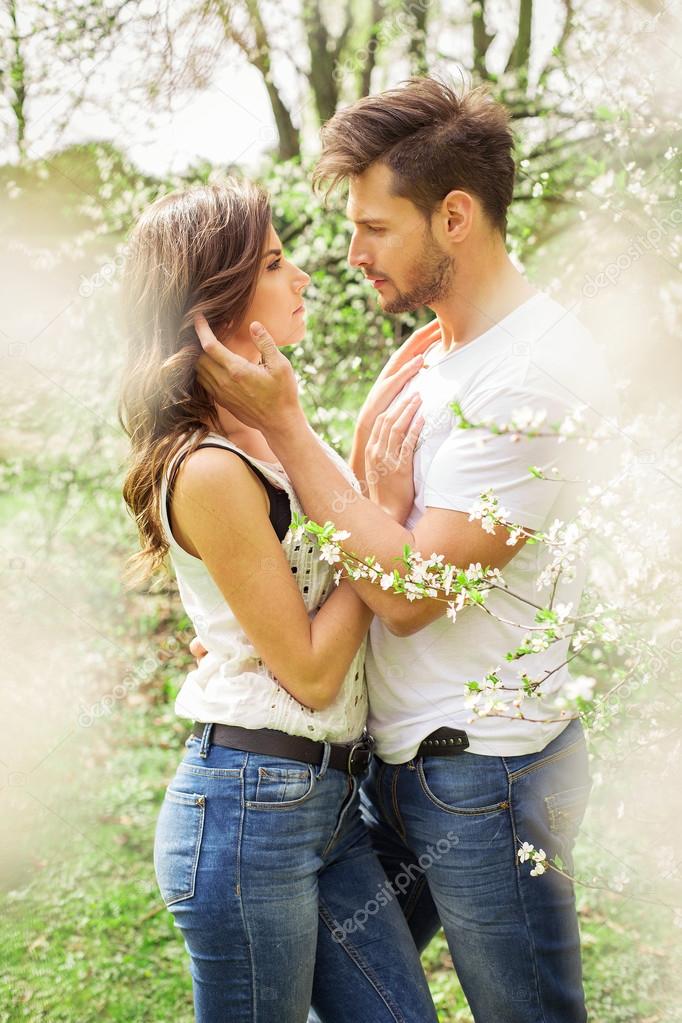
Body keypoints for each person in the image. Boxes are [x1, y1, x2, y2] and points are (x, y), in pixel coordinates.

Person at [193, 77, 619, 1023]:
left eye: (376, 228)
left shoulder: (534, 377)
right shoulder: (445, 351)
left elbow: (410, 589)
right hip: (395, 765)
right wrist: (246, 635)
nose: (350, 256)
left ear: (455, 216)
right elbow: (369, 521)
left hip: (484, 779)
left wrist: (291, 429)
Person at [119, 179, 439, 1023]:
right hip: (246, 817)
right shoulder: (210, 468)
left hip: (323, 809)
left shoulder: (266, 430)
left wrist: (366, 514)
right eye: (272, 261)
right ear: (209, 304)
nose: (302, 276)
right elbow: (309, 669)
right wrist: (387, 524)